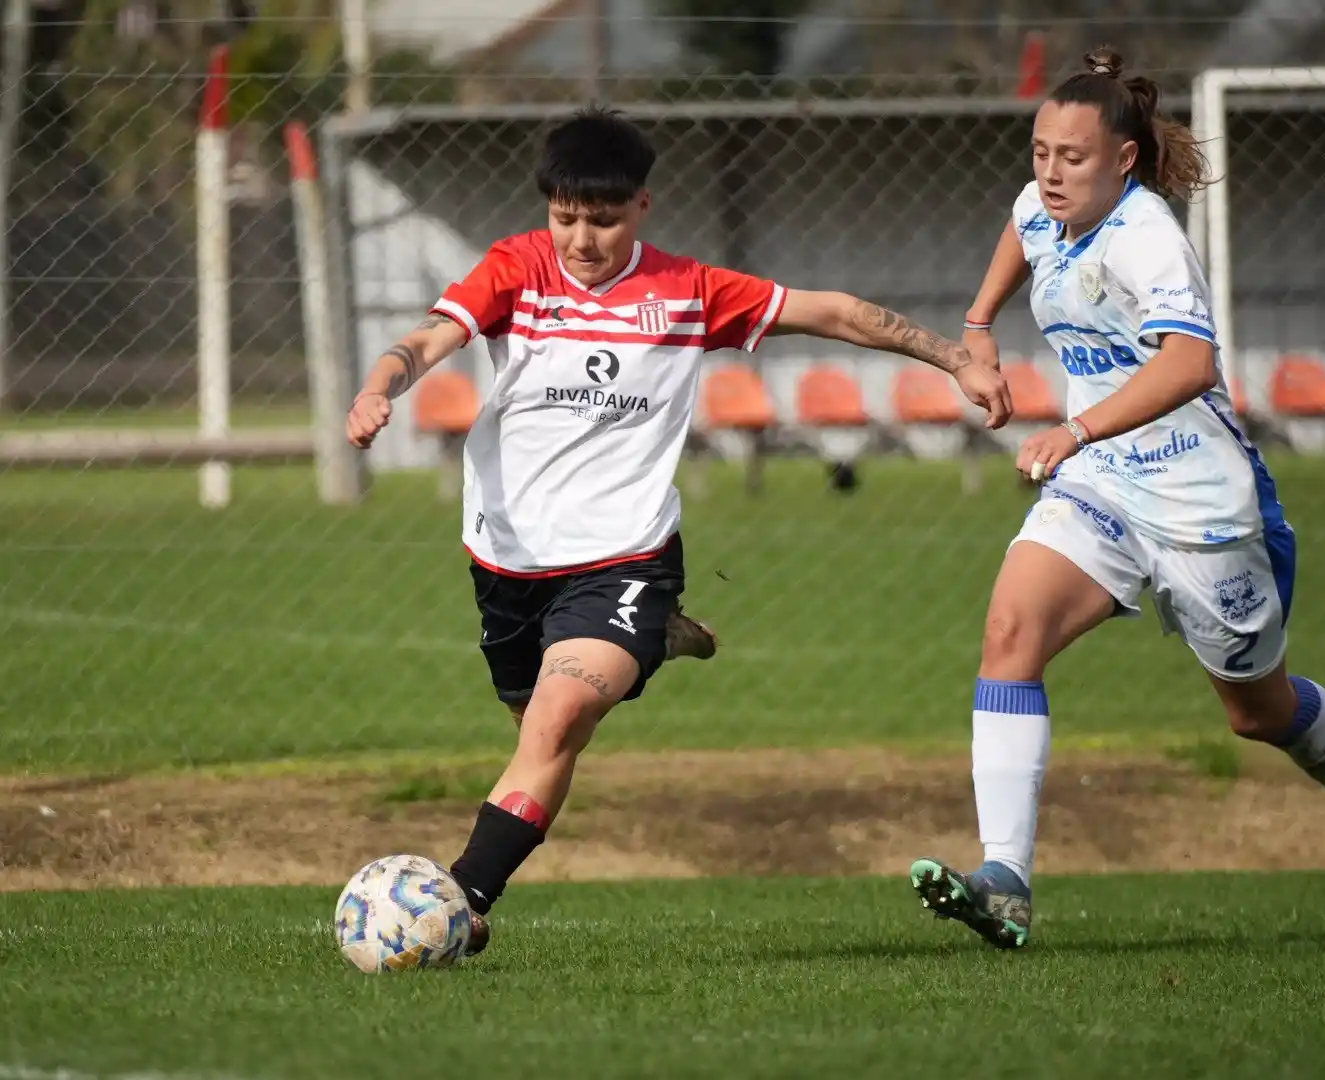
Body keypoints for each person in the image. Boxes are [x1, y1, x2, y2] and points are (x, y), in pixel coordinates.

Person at [346, 104, 1013, 955]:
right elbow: (428, 339)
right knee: (533, 723)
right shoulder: (515, 269)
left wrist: (955, 358)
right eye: (566, 217)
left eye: (604, 218)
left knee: (555, 723)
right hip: (506, 557)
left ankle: (462, 903)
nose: (582, 237)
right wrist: (381, 387)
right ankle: (658, 638)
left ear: (643, 208)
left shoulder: (688, 293)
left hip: (625, 555)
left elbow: (835, 313)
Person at [908, 48, 1325, 949]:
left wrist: (1077, 429)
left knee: (1257, 712)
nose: (1050, 172)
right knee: (1010, 634)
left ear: (1124, 161)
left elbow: (1190, 363)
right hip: (1104, 487)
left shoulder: (1147, 238)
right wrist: (978, 327)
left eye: (1074, 157)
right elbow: (1022, 229)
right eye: (1040, 150)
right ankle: (1005, 879)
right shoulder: (1043, 207)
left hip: (1201, 505)